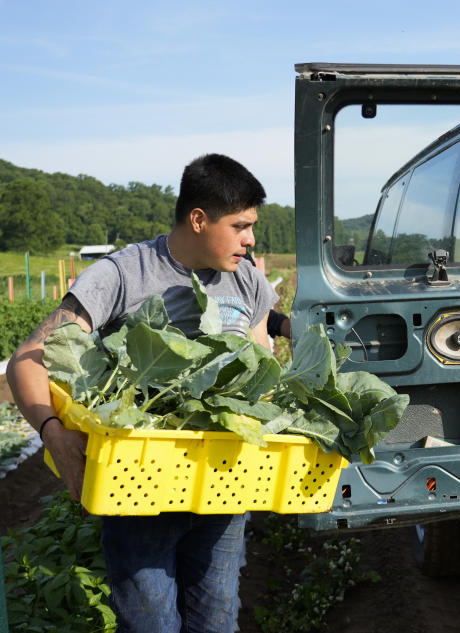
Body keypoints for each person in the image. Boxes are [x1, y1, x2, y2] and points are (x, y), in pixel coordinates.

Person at [6, 153, 278, 632]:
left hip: (225, 491)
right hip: (142, 492)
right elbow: (27, 359)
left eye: (251, 226)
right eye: (240, 226)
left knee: (216, 623)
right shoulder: (124, 274)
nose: (250, 239)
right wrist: (52, 431)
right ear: (198, 219)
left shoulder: (248, 279)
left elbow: (261, 368)